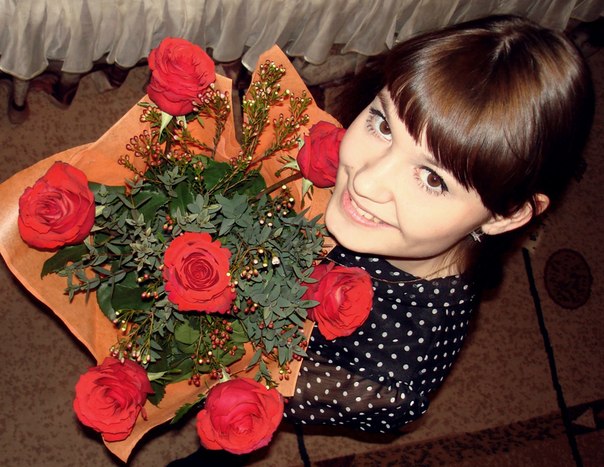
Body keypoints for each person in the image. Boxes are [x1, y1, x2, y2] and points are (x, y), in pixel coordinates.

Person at [169, 14, 593, 465]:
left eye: (432, 179)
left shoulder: (387, 383)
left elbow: (252, 388)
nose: (365, 181)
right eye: (385, 126)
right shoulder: (378, 207)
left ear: (507, 214)